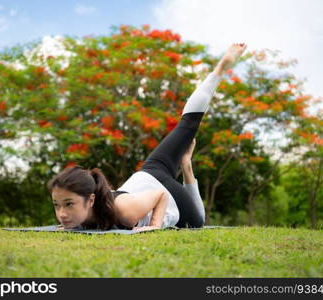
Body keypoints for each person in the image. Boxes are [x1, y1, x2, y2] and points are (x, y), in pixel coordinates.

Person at [48, 43, 247, 232]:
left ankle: (221, 69)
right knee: (185, 130)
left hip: (162, 191)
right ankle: (185, 164)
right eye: (57, 205)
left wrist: (155, 224)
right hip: (146, 177)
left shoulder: (124, 212)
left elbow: (159, 195)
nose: (62, 214)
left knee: (196, 223)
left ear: (90, 200)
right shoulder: (82, 216)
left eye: (69, 204)